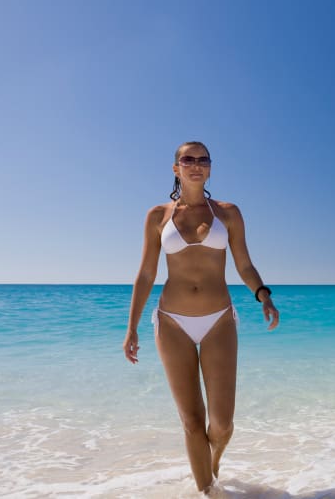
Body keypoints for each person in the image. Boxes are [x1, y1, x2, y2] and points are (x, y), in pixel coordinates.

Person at [122, 140, 280, 495]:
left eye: (202, 159)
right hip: (172, 322)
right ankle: (207, 491)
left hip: (219, 320)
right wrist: (131, 327)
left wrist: (263, 296)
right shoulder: (157, 216)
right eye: (187, 159)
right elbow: (146, 274)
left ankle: (214, 461)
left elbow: (244, 264)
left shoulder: (228, 213)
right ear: (176, 168)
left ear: (210, 168)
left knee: (221, 425)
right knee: (192, 422)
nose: (196, 164)